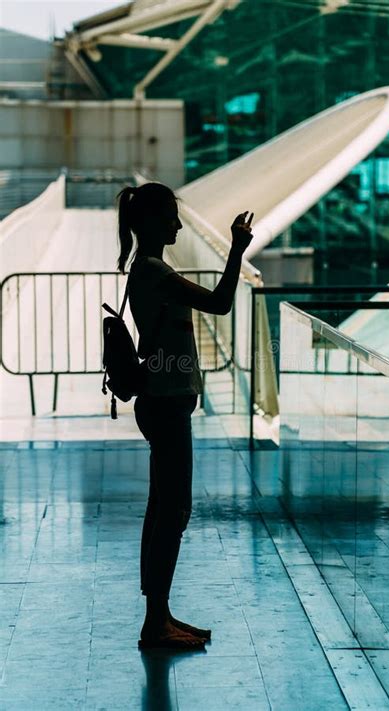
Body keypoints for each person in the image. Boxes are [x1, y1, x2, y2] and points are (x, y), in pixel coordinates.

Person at [116, 182, 254, 650]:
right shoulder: (154, 271)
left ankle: (160, 614)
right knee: (172, 512)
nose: (178, 225)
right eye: (171, 217)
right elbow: (220, 302)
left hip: (162, 403)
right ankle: (156, 623)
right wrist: (236, 249)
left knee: (163, 510)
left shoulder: (145, 269)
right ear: (152, 222)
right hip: (166, 405)